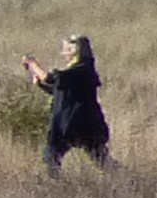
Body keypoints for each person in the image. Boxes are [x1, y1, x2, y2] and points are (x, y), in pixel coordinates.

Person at [21, 33, 110, 175]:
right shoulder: (85, 69)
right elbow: (60, 92)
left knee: (51, 156)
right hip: (89, 122)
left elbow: (51, 79)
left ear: (73, 51)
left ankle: (54, 185)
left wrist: (33, 65)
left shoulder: (78, 69)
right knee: (101, 159)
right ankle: (126, 180)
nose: (62, 53)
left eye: (65, 49)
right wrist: (40, 85)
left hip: (70, 123)